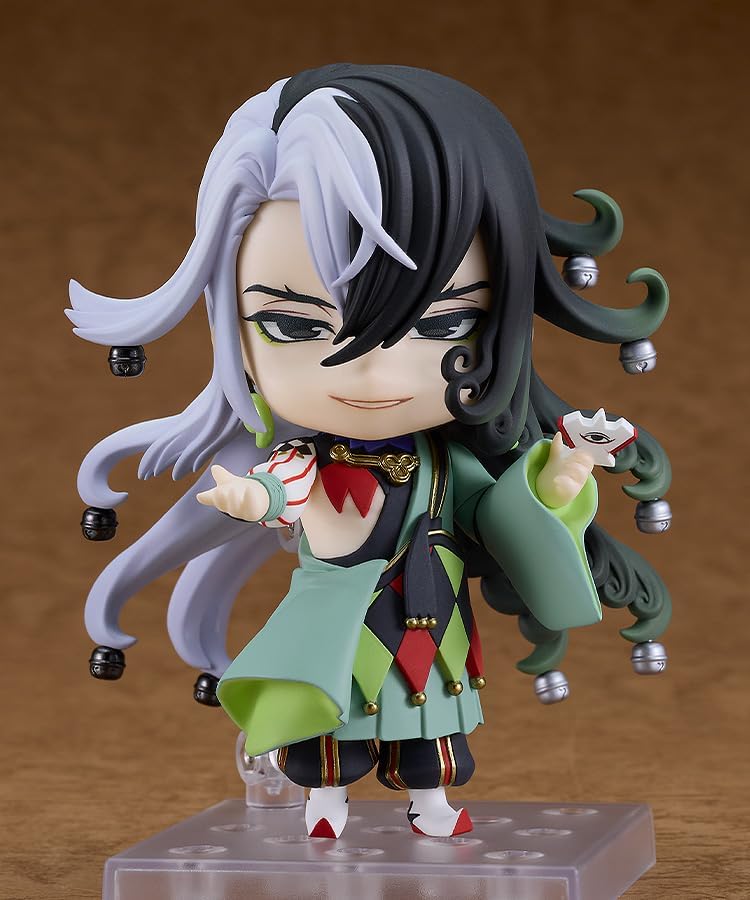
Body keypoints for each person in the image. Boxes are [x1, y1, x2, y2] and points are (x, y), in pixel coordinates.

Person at [68, 64, 671, 839]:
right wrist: (251, 497)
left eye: (443, 323)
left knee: (432, 732)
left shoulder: (447, 467)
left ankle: (431, 805)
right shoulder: (307, 461)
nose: (376, 375)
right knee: (332, 732)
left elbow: (504, 515)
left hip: (433, 629)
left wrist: (566, 467)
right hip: (339, 630)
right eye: (293, 325)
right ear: (232, 332)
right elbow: (280, 490)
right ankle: (325, 804)